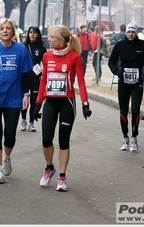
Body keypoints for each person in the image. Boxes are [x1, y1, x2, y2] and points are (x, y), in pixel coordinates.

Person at [34, 24, 92, 192]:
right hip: (50, 102)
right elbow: (44, 80)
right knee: (46, 139)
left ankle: (62, 176)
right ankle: (49, 168)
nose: (48, 39)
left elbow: (81, 81)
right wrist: (38, 103)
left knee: (63, 141)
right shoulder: (46, 56)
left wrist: (85, 103)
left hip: (67, 101)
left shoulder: (75, 57)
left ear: (60, 39)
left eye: (51, 37)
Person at [0, 18, 33, 184]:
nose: (5, 31)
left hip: (14, 97)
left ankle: (7, 156)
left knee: (10, 135)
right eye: (2, 28)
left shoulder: (21, 50)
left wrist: (26, 95)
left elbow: (26, 74)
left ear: (13, 32)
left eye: (8, 28)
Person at [107, 23, 144, 152]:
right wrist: (117, 71)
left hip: (137, 82)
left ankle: (134, 137)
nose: (131, 34)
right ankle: (125, 137)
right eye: (129, 32)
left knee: (135, 110)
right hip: (123, 82)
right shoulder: (120, 45)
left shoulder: (143, 45)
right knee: (123, 110)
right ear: (126, 32)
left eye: (133, 32)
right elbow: (111, 61)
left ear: (136, 33)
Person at [19, 26, 46, 132]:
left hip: (36, 77)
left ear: (38, 34)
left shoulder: (41, 48)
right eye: (30, 32)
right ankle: (24, 120)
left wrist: (44, 74)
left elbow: (45, 62)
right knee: (24, 99)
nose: (32, 34)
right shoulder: (23, 47)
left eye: (34, 33)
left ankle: (31, 122)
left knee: (34, 100)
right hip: (24, 76)